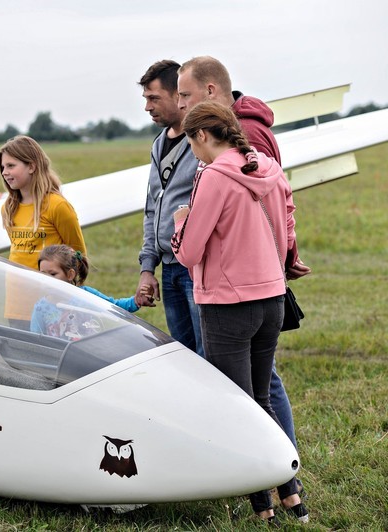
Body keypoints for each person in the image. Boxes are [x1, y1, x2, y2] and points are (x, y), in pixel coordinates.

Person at [170, 101, 308, 524]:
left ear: (202, 136)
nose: (194, 153)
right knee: (261, 398)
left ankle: (262, 506)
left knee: (238, 406)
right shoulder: (266, 166)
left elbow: (190, 251)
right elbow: (287, 228)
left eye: (192, 144)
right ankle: (291, 496)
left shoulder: (212, 176)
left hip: (227, 305)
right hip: (271, 298)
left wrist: (180, 222)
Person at [134, 60, 204, 357]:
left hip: (195, 268)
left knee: (211, 355)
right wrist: (148, 267)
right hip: (169, 270)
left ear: (179, 95)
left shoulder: (203, 140)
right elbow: (152, 209)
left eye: (154, 98)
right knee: (186, 357)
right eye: (146, 99)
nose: (148, 107)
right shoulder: (158, 143)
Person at [0, 135, 86, 327]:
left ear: (32, 166)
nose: (5, 172)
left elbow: (78, 255)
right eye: (3, 167)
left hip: (52, 306)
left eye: (11, 166)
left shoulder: (57, 205)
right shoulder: (8, 207)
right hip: (17, 302)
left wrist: (69, 298)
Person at [32, 244, 139, 339]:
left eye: (53, 274)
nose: (47, 279)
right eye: (43, 274)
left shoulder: (86, 295)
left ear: (70, 274)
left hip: (90, 355)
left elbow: (115, 307)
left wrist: (136, 301)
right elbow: (35, 339)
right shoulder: (41, 307)